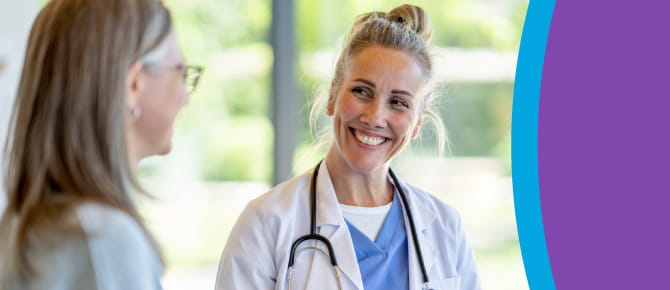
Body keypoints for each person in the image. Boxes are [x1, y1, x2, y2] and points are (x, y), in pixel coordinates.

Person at [216, 4, 480, 290]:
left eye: (398, 102)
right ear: (332, 96)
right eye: (362, 91)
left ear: (417, 123)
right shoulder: (267, 222)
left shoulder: (444, 226)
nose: (375, 117)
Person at [0, 0, 201, 289]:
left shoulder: (16, 227)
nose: (185, 97)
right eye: (180, 71)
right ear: (134, 84)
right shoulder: (105, 238)